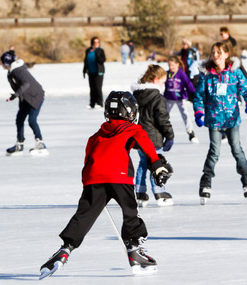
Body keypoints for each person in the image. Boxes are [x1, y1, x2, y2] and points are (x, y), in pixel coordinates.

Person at [38, 91, 172, 279]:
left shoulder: (95, 136)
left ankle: (64, 250)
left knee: (83, 216)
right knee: (130, 212)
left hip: (94, 179)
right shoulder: (133, 129)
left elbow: (87, 162)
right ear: (130, 112)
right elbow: (147, 146)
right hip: (120, 177)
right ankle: (134, 251)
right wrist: (157, 166)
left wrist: (88, 186)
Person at [193, 42, 247, 204]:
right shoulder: (207, 75)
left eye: (219, 52)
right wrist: (199, 113)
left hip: (232, 119)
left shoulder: (234, 73)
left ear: (226, 54)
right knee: (214, 151)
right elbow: (199, 96)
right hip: (214, 119)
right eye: (213, 52)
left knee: (237, 149)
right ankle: (205, 184)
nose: (215, 55)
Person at [132, 65, 176, 207]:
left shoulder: (136, 96)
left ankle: (140, 193)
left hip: (139, 138)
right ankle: (159, 192)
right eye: (163, 82)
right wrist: (170, 136)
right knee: (156, 164)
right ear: (156, 80)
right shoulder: (157, 97)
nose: (163, 85)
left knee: (143, 164)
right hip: (154, 139)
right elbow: (162, 119)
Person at [3, 55, 47, 156]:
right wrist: (18, 96)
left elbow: (26, 84)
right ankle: (20, 144)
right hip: (26, 98)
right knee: (19, 119)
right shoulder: (12, 72)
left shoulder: (17, 71)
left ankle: (40, 143)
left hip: (35, 96)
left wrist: (16, 95)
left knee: (32, 120)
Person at [164, 55, 197, 143]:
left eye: (173, 65)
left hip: (180, 98)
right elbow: (161, 84)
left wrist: (193, 93)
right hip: (169, 98)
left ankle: (191, 132)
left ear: (178, 65)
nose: (171, 67)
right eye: (169, 65)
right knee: (163, 115)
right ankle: (161, 132)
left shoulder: (181, 74)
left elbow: (188, 84)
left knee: (185, 115)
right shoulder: (167, 74)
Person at [83, 37, 106, 109]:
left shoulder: (100, 50)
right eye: (95, 42)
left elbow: (102, 60)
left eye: (98, 42)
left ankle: (99, 103)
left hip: (99, 72)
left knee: (98, 88)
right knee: (92, 88)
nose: (97, 44)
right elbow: (86, 61)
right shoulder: (88, 50)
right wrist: (84, 70)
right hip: (91, 72)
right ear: (92, 43)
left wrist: (98, 55)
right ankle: (92, 103)